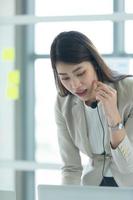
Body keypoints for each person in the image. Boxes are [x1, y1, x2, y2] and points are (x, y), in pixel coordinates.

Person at [50, 30, 133, 187]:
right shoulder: (63, 104)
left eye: (80, 73)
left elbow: (128, 165)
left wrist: (113, 117)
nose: (75, 85)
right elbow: (71, 168)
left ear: (95, 64)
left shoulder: (129, 91)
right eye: (65, 78)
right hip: (93, 187)